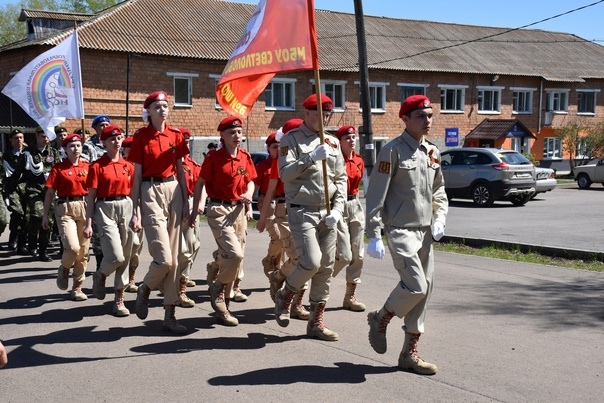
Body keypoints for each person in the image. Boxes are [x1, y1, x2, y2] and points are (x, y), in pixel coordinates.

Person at [365, 95, 448, 375]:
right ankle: (381, 318)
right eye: (421, 116)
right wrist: (374, 233)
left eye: (430, 115)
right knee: (415, 286)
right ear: (405, 119)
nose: (428, 121)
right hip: (400, 230)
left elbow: (439, 191)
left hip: (425, 232)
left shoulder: (432, 152)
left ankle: (409, 354)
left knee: (424, 295)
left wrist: (440, 218)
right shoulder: (392, 151)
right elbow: (376, 194)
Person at [273, 94, 347, 341]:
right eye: (319, 113)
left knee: (325, 268)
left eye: (328, 114)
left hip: (328, 213)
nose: (324, 118)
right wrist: (311, 157)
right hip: (302, 210)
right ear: (307, 113)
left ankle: (316, 322)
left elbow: (341, 179)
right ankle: (286, 294)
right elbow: (285, 174)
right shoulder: (292, 140)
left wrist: (337, 210)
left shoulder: (333, 143)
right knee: (311, 262)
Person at [128, 91, 190, 334]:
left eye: (165, 106)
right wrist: (134, 210)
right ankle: (145, 287)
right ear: (149, 111)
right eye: (157, 106)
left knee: (175, 258)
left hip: (173, 190)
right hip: (150, 190)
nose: (162, 110)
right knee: (163, 258)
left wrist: (186, 200)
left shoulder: (175, 135)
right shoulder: (141, 137)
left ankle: (169, 315)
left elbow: (181, 170)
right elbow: (136, 176)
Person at [190, 116, 256, 327]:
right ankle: (218, 288)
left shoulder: (245, 156)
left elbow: (251, 181)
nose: (237, 136)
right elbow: (200, 184)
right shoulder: (214, 158)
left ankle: (223, 307)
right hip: (218, 209)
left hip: (238, 209)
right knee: (235, 255)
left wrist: (248, 194)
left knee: (233, 257)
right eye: (232, 133)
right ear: (223, 136)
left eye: (239, 132)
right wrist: (195, 208)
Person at [256, 119, 308, 320]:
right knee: (297, 258)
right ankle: (277, 276)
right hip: (283, 209)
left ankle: (296, 304)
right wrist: (261, 218)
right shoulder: (281, 160)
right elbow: (268, 191)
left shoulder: (309, 154)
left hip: (307, 210)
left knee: (308, 260)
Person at [86, 125, 135, 317]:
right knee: (116, 256)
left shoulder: (128, 166)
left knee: (127, 254)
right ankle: (100, 275)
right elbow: (91, 197)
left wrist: (137, 215)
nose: (116, 141)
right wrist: (89, 222)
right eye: (112, 139)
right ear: (103, 142)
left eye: (119, 138)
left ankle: (119, 299)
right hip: (104, 208)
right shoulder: (97, 166)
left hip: (126, 206)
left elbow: (134, 194)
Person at [42, 133, 90, 301]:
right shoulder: (58, 168)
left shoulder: (87, 167)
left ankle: (77, 286)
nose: (75, 149)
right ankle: (64, 268)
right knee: (72, 247)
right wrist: (45, 215)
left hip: (84, 207)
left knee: (83, 251)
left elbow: (93, 192)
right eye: (72, 146)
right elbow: (49, 193)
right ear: (65, 149)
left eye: (78, 145)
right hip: (65, 207)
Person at [332, 125, 366, 312]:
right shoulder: (335, 160)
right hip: (339, 205)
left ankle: (349, 297)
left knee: (358, 254)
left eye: (353, 137)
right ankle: (321, 279)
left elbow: (358, 186)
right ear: (339, 141)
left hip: (355, 205)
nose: (352, 140)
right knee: (344, 255)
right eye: (347, 138)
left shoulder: (359, 160)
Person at [19, 127, 62, 262]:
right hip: (34, 190)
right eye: (43, 136)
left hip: (50, 191)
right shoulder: (28, 153)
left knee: (48, 221)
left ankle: (42, 251)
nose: (45, 138)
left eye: (47, 136)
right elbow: (19, 173)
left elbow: (60, 170)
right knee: (37, 215)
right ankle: (32, 239)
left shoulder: (53, 152)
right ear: (36, 136)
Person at [176, 127, 201, 308]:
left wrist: (200, 203)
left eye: (187, 141)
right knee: (183, 248)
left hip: (192, 202)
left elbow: (202, 184)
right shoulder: (172, 165)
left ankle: (182, 277)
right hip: (176, 204)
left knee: (194, 245)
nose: (185, 143)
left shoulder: (193, 165)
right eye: (182, 141)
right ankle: (179, 287)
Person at [121, 136, 140, 293]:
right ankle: (122, 278)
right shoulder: (123, 165)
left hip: (142, 206)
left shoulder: (142, 166)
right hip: (126, 206)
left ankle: (131, 278)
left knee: (137, 246)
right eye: (129, 147)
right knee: (128, 244)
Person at [3, 129, 28, 254]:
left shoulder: (28, 154)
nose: (19, 140)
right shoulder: (6, 156)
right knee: (18, 212)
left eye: (21, 137)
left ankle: (22, 243)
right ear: (11, 140)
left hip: (27, 189)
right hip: (13, 189)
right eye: (16, 138)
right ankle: (13, 236)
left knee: (26, 215)